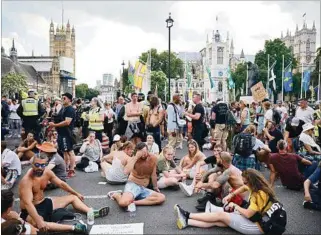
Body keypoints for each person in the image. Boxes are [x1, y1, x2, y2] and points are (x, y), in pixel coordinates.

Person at [19, 153, 109, 233]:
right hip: (30, 210)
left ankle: (90, 211)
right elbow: (28, 204)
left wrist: (76, 193)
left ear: (46, 165)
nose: (40, 168)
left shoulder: (46, 172)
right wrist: (39, 221)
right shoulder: (26, 181)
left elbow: (61, 184)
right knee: (38, 224)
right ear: (32, 164)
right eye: (37, 165)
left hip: (44, 203)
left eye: (43, 165)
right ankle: (74, 228)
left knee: (73, 197)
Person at [173, 169, 280, 235]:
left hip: (259, 226)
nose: (244, 184)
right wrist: (231, 194)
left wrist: (234, 205)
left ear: (252, 181)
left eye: (246, 182)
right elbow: (243, 188)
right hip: (262, 219)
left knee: (221, 215)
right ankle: (186, 222)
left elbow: (248, 214)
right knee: (219, 220)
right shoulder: (258, 187)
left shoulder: (259, 194)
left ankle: (187, 214)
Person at [107, 142, 165, 209]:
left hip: (143, 189)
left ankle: (133, 202)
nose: (143, 154)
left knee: (161, 197)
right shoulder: (133, 158)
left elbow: (153, 174)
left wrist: (155, 187)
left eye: (145, 152)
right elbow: (126, 171)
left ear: (147, 150)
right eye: (141, 153)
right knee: (123, 203)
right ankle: (116, 194)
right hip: (133, 185)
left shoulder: (153, 158)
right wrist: (136, 157)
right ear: (137, 152)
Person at [49, 92, 77, 178]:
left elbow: (67, 122)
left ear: (69, 99)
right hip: (61, 133)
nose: (62, 99)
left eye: (64, 98)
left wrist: (55, 125)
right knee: (64, 152)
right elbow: (59, 118)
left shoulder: (70, 109)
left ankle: (72, 170)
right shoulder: (63, 108)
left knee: (70, 152)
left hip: (67, 133)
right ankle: (65, 168)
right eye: (62, 98)